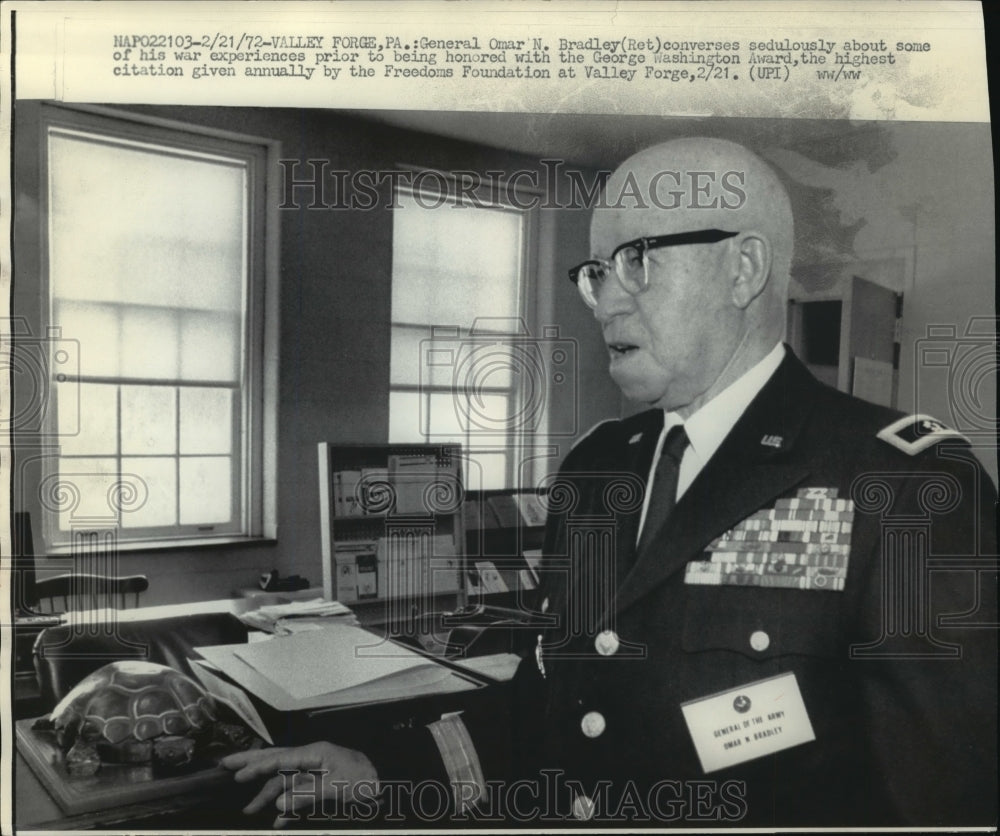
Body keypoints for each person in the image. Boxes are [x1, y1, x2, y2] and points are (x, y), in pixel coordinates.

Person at [222, 138, 998, 828]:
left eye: (640, 260)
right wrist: (382, 770)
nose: (604, 300)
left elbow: (945, 802)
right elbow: (556, 703)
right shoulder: (598, 471)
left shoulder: (904, 487)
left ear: (744, 268)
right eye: (596, 271)